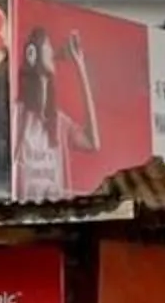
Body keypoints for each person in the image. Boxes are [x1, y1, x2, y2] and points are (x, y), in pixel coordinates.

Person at [14, 27, 103, 199]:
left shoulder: (59, 123)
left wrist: (80, 66)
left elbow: (93, 143)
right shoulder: (16, 115)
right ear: (32, 53)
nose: (52, 49)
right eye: (47, 45)